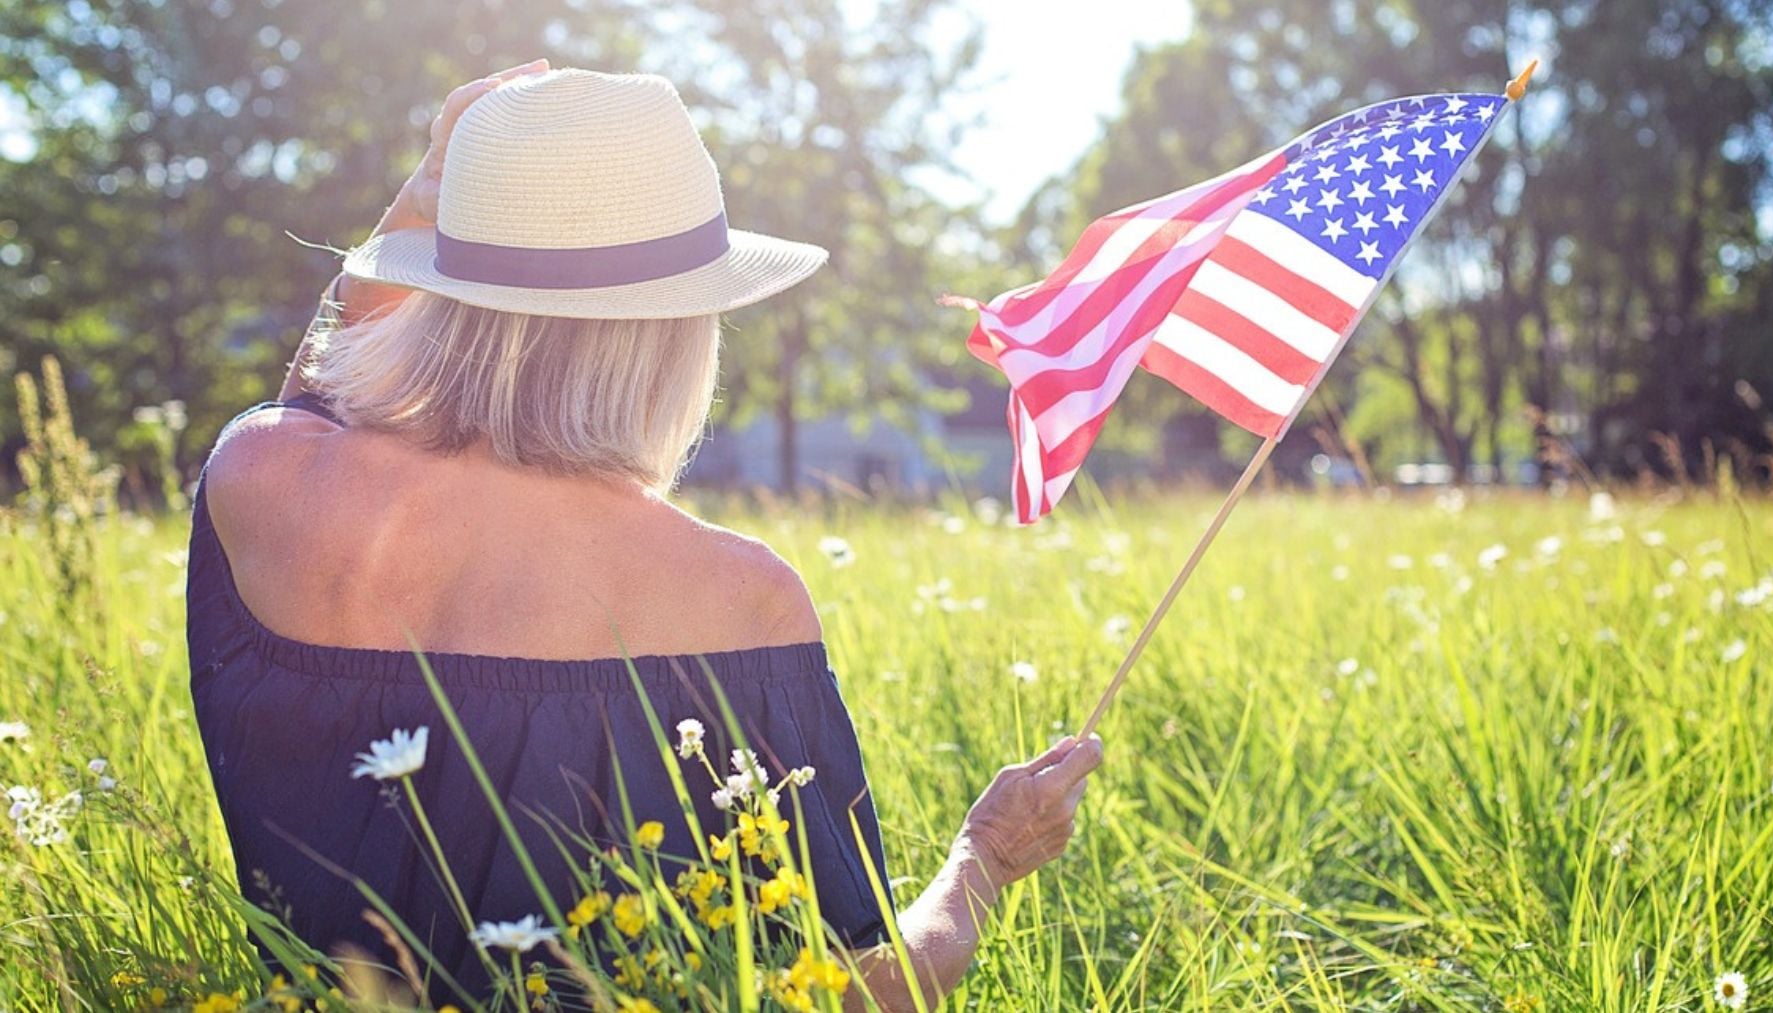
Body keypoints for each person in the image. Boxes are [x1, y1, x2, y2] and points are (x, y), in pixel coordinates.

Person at [187, 61, 1102, 1008]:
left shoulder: (261, 476)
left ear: (441, 286)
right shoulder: (738, 595)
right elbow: (843, 995)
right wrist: (983, 860)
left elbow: (319, 394)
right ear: (675, 334)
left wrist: (414, 216)